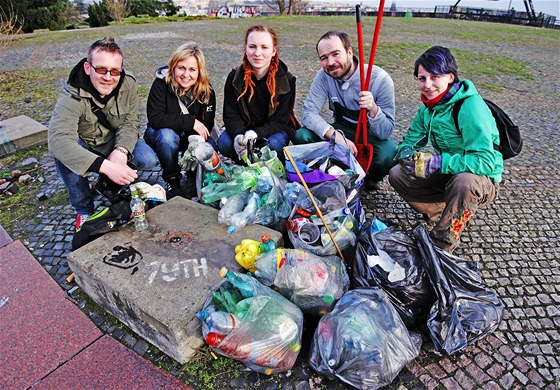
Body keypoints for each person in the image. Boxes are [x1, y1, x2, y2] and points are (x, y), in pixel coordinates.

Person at [389, 46, 502, 253]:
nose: (427, 84)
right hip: (450, 172)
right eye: (422, 78)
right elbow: (410, 140)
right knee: (397, 173)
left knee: (464, 182)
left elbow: (485, 162)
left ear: (450, 77)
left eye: (435, 76)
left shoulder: (470, 107)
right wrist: (405, 152)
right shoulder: (428, 108)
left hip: (482, 179)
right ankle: (440, 211)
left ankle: (443, 243)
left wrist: (441, 162)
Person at [48, 37, 157, 230]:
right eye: (101, 69)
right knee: (63, 156)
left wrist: (121, 150)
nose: (108, 77)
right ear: (88, 68)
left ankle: (107, 185)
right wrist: (106, 166)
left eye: (114, 71)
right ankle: (83, 209)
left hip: (114, 140)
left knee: (147, 159)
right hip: (87, 143)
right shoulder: (72, 93)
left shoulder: (128, 84)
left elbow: (130, 122)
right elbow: (57, 140)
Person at [295, 31, 396, 189]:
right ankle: (326, 172)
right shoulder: (323, 76)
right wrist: (335, 136)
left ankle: (371, 178)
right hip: (342, 128)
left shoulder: (380, 79)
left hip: (370, 134)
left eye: (336, 54)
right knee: (302, 135)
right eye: (324, 58)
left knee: (388, 155)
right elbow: (308, 114)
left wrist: (373, 109)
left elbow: (385, 132)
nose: (330, 62)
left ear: (349, 52)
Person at [144, 41, 216, 198]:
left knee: (210, 146)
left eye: (192, 70)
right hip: (161, 133)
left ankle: (193, 172)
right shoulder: (160, 84)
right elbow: (155, 119)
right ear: (173, 67)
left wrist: (196, 140)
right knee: (167, 137)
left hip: (190, 135)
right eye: (181, 68)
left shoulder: (206, 90)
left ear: (199, 71)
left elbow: (208, 123)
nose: (186, 74)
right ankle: (172, 177)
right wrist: (191, 122)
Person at [218, 24, 299, 164]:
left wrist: (256, 134)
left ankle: (272, 167)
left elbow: (281, 120)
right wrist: (238, 135)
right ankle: (245, 164)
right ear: (246, 48)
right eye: (252, 46)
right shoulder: (234, 77)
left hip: (275, 130)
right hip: (245, 127)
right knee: (225, 143)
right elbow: (231, 114)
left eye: (264, 47)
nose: (257, 53)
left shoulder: (287, 80)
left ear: (273, 51)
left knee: (274, 145)